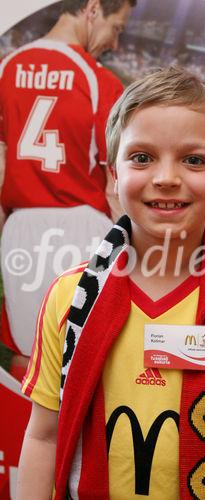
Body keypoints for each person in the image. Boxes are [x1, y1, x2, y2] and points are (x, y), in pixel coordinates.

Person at [18, 67, 205, 499]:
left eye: (194, 159)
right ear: (114, 175)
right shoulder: (69, 297)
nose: (166, 177)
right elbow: (43, 437)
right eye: (143, 157)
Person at [0, 0, 135, 366]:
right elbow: (112, 187)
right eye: (117, 28)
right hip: (82, 225)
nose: (115, 43)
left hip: (20, 226)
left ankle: (19, 425)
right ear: (93, 9)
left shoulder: (6, 69)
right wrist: (137, 251)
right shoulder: (99, 80)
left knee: (26, 355)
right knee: (87, 360)